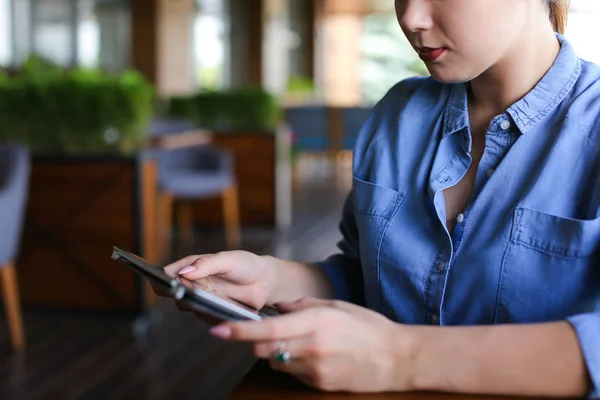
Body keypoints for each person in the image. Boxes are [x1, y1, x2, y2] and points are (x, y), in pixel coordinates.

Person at [157, 0, 600, 397]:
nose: (409, 17)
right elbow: (370, 280)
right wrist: (270, 279)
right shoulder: (397, 114)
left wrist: (401, 357)